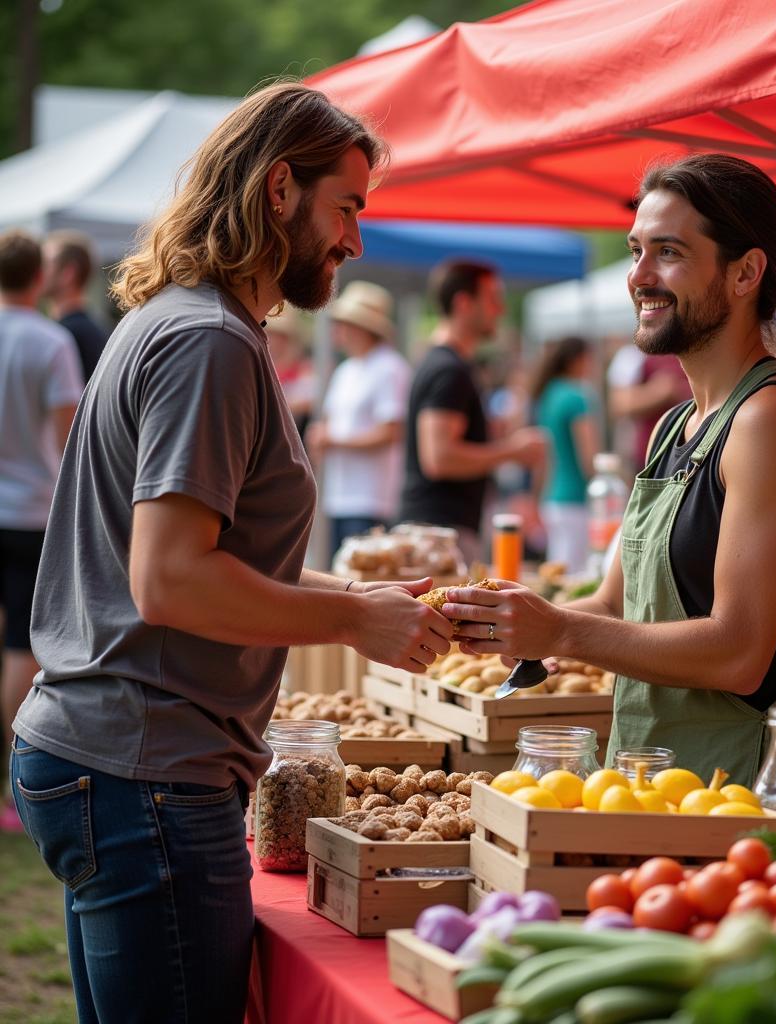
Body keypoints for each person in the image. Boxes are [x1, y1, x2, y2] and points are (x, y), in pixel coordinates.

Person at [10, 83, 453, 1024]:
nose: (355, 241)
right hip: (147, 775)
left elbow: (219, 551)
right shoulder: (207, 341)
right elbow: (169, 580)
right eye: (349, 207)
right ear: (279, 189)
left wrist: (371, 595)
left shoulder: (191, 323)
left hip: (118, 762)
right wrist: (352, 618)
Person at [443, 153, 776, 788]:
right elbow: (614, 602)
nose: (639, 276)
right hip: (648, 782)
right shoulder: (673, 427)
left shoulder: (772, 421)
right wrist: (491, 617)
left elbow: (741, 653)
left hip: (740, 800)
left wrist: (560, 629)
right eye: (636, 250)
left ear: (745, 273)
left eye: (668, 252)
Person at [0, 229, 82, 830]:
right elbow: (67, 438)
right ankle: (11, 785)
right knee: (19, 651)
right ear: (38, 278)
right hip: (31, 511)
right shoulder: (51, 340)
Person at [398, 260, 547, 565]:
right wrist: (511, 452)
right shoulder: (448, 370)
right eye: (492, 299)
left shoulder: (448, 365)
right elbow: (438, 459)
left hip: (439, 529)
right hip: (438, 535)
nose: (500, 310)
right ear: (463, 303)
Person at [307, 280, 410, 554]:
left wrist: (334, 441)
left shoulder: (389, 368)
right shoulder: (347, 370)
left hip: (371, 498)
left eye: (346, 323)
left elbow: (391, 432)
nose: (339, 330)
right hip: (340, 495)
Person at [530, 336, 600, 573]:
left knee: (556, 574)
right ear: (577, 360)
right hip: (575, 500)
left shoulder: (548, 395)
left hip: (551, 499)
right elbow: (588, 458)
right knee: (575, 577)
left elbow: (543, 455)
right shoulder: (576, 397)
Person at [41, 230, 110, 384]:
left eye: (46, 264)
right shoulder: (91, 329)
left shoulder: (71, 334)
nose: (38, 272)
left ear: (68, 272)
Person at [264, 303, 316, 436]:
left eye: (277, 334)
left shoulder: (304, 369)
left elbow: (310, 401)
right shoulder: (265, 366)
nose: (270, 339)